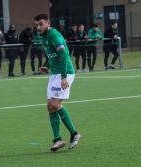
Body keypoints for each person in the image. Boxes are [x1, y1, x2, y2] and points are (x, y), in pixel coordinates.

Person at [34, 13, 81, 152]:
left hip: (64, 72)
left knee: (54, 104)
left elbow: (63, 54)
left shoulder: (54, 35)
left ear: (48, 23)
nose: (38, 27)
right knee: (50, 106)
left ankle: (74, 133)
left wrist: (64, 77)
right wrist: (47, 66)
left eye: (41, 24)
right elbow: (52, 54)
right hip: (54, 73)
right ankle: (58, 140)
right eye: (36, 25)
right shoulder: (43, 37)